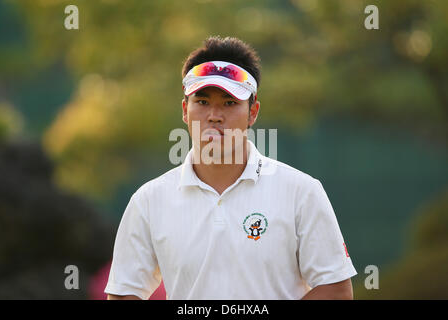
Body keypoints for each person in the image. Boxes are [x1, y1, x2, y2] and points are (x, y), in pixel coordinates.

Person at [105, 36, 357, 300]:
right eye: (202, 102)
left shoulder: (301, 192)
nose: (214, 115)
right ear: (184, 110)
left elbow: (335, 290)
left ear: (253, 112)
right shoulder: (149, 200)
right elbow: (124, 293)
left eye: (229, 102)